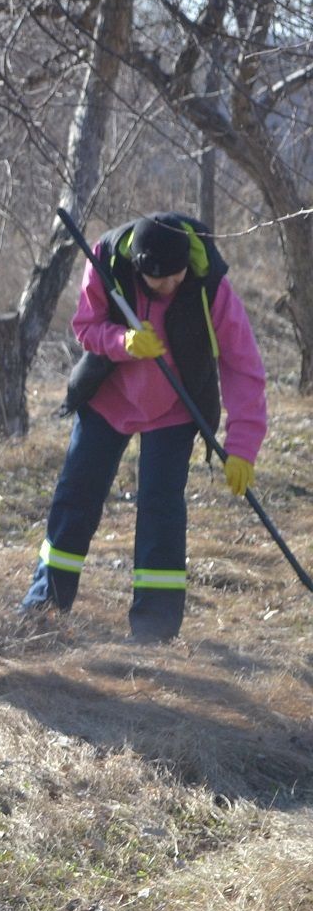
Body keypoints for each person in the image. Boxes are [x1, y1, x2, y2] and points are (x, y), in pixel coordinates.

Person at [20, 212, 267, 641]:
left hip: (174, 408)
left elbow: (242, 367)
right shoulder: (106, 263)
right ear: (138, 267)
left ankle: (155, 627)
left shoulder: (211, 286)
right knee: (76, 496)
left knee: (161, 509)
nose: (168, 287)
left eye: (176, 278)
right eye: (158, 282)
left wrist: (242, 446)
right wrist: (123, 342)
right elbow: (85, 328)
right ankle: (45, 603)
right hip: (107, 400)